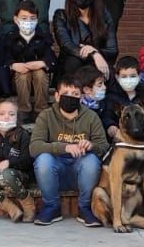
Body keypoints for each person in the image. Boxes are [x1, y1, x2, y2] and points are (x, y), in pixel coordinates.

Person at [30, 75, 109, 227]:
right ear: (57, 96)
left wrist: (91, 145)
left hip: (80, 173)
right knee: (43, 159)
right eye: (66, 93)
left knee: (92, 160)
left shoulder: (91, 117)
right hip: (55, 173)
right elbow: (34, 147)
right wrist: (64, 147)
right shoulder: (46, 116)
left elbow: (104, 146)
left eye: (75, 94)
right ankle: (52, 207)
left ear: (81, 97)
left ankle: (85, 208)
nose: (70, 98)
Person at [52, 0, 116, 82]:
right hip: (71, 68)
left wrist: (97, 53)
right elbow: (67, 45)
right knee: (73, 61)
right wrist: (93, 53)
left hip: (97, 66)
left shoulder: (104, 16)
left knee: (106, 70)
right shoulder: (61, 15)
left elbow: (113, 50)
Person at [0, 0, 55, 122]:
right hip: (18, 81)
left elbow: (51, 57)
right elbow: (4, 57)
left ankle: (42, 110)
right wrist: (13, 65)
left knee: (40, 73)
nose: (28, 22)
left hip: (39, 82)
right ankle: (24, 110)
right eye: (24, 18)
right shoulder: (10, 37)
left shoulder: (43, 36)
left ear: (37, 19)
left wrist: (42, 63)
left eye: (32, 18)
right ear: (16, 19)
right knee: (23, 75)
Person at [101, 55, 144, 142]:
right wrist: (110, 125)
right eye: (124, 76)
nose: (129, 80)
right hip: (121, 140)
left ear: (139, 76)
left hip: (142, 139)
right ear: (117, 77)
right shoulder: (111, 97)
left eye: (133, 76)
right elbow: (107, 115)